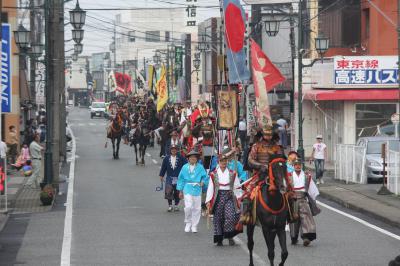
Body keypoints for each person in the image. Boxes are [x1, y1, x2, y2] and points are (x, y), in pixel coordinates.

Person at [206, 148, 243, 246]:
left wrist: (239, 197)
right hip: (218, 197)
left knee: (230, 216)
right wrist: (208, 200)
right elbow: (211, 187)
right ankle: (219, 238)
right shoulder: (213, 174)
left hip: (229, 196)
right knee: (218, 217)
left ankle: (229, 235)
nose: (223, 163)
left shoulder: (232, 173)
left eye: (225, 161)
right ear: (218, 162)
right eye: (221, 161)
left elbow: (237, 186)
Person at [289, 159, 320, 247]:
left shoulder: (307, 176)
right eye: (296, 165)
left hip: (303, 198)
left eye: (299, 164)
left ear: (301, 165)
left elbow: (311, 189)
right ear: (293, 166)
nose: (298, 166)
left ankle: (306, 237)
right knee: (294, 219)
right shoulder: (289, 176)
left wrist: (313, 200)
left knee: (306, 217)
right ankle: (294, 237)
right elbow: (285, 188)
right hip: (293, 199)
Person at [177, 149, 209, 233]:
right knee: (188, 206)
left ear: (197, 159)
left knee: (197, 208)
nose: (193, 159)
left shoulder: (200, 167)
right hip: (187, 187)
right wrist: (180, 190)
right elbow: (181, 179)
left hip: (197, 188)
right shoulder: (184, 167)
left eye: (195, 158)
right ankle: (188, 222)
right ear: (188, 159)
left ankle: (194, 225)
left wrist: (203, 182)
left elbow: (205, 177)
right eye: (191, 158)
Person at [159, 145, 187, 212]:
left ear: (177, 150)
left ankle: (176, 205)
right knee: (169, 191)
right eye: (172, 149)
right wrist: (161, 175)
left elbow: (186, 166)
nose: (173, 150)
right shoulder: (166, 158)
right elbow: (163, 167)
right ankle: (170, 205)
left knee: (177, 192)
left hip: (178, 177)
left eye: (175, 149)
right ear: (170, 150)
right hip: (169, 177)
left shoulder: (181, 158)